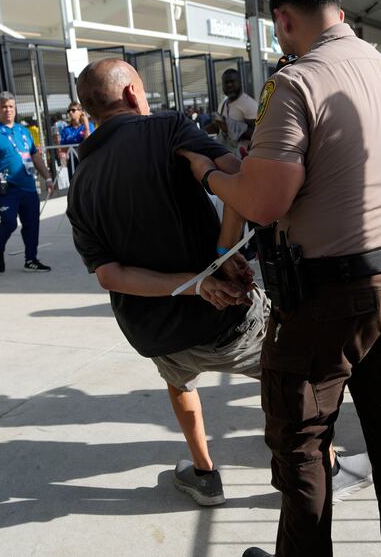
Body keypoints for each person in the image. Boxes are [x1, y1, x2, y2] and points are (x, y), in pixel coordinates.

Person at [181, 0, 381, 557]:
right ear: (341, 12)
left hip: (334, 294)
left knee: (302, 446)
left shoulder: (298, 81)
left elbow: (265, 202)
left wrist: (212, 177)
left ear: (284, 19)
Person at [68, 58, 264, 506]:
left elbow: (110, 276)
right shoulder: (167, 129)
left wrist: (193, 283)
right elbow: (240, 177)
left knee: (181, 385)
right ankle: (322, 461)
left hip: (155, 333)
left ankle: (205, 473)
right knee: (288, 370)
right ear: (134, 94)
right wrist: (219, 258)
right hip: (227, 318)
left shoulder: (79, 185)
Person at [0, 92, 55, 274]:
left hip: (27, 185)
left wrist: (47, 177)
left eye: (11, 106)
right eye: (4, 107)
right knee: (9, 223)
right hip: (4, 187)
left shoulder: (23, 131)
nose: (8, 110)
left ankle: (31, 259)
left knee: (32, 223)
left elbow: (34, 156)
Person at [216, 69, 257, 153]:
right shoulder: (223, 104)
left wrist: (231, 128)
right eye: (226, 82)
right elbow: (219, 128)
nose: (229, 85)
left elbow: (257, 133)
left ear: (240, 82)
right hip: (228, 153)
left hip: (245, 156)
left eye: (232, 81)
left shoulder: (249, 104)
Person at [57, 101, 93, 179]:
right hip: (73, 163)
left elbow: (89, 142)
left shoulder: (89, 125)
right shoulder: (66, 130)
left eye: (73, 110)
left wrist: (86, 125)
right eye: (68, 111)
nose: (70, 112)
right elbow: (62, 148)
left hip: (86, 161)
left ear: (81, 112)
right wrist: (62, 154)